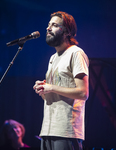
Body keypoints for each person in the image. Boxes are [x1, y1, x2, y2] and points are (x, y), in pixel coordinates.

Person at [33, 11, 89, 150]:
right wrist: (42, 90)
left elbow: (83, 93)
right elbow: (54, 95)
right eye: (48, 25)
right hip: (47, 129)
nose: (48, 28)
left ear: (66, 31)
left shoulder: (76, 53)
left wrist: (51, 87)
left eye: (54, 25)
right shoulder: (53, 58)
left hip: (66, 131)